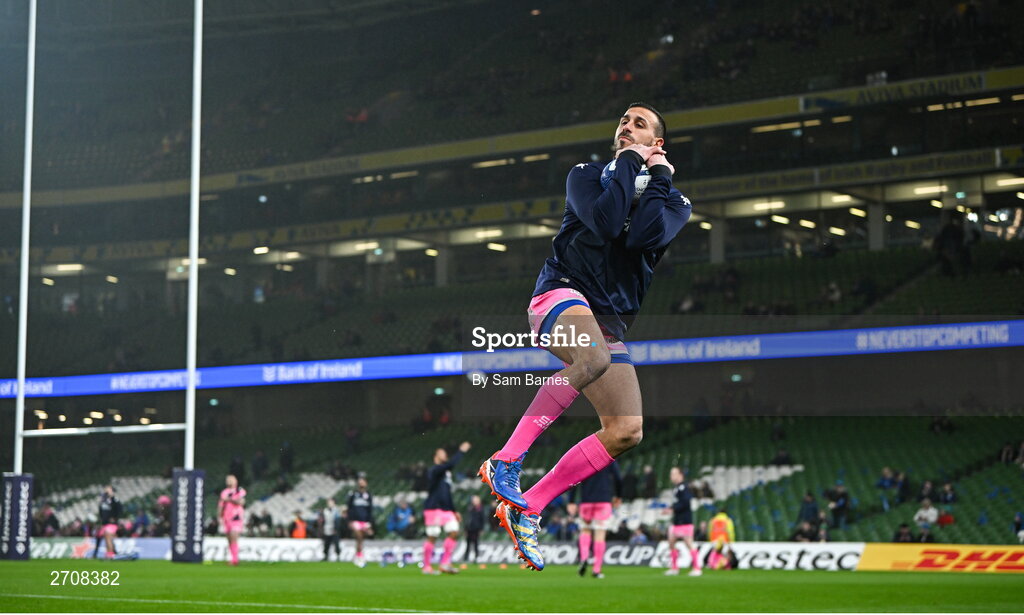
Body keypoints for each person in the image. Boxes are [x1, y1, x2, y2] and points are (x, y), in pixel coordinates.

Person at [478, 102, 692, 572]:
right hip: (559, 294)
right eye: (623, 121)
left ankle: (527, 505)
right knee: (593, 359)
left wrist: (656, 179)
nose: (626, 127)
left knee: (627, 430)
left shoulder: (676, 202)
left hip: (609, 321)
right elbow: (608, 224)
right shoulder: (585, 175)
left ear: (658, 143)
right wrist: (634, 162)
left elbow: (641, 240)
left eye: (639, 125)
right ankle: (507, 460)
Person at [423, 441, 471, 575]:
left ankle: (445, 563)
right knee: (433, 536)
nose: (445, 455)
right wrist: (461, 451)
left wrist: (454, 511)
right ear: (435, 457)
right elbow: (450, 464)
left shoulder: (446, 474)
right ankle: (427, 566)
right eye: (441, 453)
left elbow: (447, 494)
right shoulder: (435, 470)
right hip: (433, 508)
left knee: (454, 531)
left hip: (446, 509)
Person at [573, 460, 623, 579]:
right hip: (603, 501)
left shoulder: (584, 459)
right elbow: (618, 478)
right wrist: (618, 496)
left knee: (585, 531)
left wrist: (571, 501)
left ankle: (584, 558)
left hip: (586, 502)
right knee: (600, 534)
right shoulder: (609, 459)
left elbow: (574, 479)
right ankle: (596, 569)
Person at [664, 467, 701, 577]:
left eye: (673, 473)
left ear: (680, 475)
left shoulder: (684, 487)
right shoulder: (677, 488)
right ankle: (674, 567)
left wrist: (672, 509)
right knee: (671, 542)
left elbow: (685, 502)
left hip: (685, 521)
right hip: (677, 521)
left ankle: (697, 568)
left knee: (689, 543)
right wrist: (671, 508)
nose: (671, 476)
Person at [346, 477, 374, 568]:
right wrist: (349, 521)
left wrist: (369, 524)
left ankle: (359, 555)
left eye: (363, 482)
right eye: (360, 482)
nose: (361, 484)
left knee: (361, 539)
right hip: (355, 520)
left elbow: (370, 510)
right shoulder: (353, 494)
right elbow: (349, 508)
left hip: (364, 521)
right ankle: (359, 556)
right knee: (358, 536)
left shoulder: (368, 495)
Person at [218, 474, 246, 566]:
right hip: (227, 518)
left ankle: (235, 559)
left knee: (234, 536)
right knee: (229, 539)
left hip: (236, 517)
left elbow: (241, 502)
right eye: (228, 480)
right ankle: (233, 558)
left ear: (236, 481)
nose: (229, 481)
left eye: (231, 479)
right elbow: (221, 505)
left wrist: (229, 499)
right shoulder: (224, 492)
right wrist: (219, 516)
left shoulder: (239, 491)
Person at [95, 485, 122, 559]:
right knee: (106, 538)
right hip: (105, 523)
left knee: (108, 536)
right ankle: (110, 552)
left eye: (108, 489)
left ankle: (110, 553)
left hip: (112, 523)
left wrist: (115, 518)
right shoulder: (103, 501)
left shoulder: (115, 500)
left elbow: (119, 510)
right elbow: (101, 512)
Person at [465, 495, 485, 563]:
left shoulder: (480, 509)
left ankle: (476, 557)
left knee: (476, 543)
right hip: (469, 528)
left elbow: (482, 520)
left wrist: (481, 529)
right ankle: (466, 558)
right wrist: (465, 529)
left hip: (476, 529)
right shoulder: (470, 508)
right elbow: (467, 519)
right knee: (468, 544)